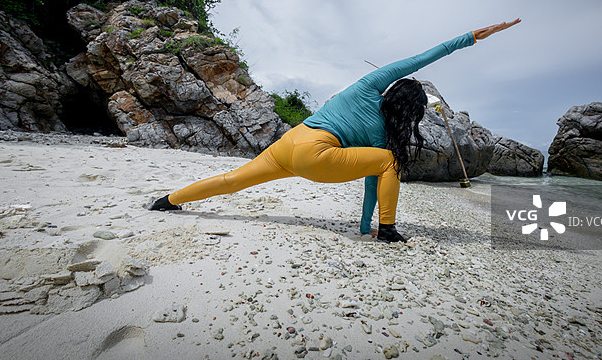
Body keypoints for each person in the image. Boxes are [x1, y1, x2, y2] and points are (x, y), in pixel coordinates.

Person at [150, 18, 521, 242]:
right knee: (390, 162)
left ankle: (169, 201)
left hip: (290, 142)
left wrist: (472, 36)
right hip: (317, 156)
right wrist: (368, 226)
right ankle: (389, 231)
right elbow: (374, 181)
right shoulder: (383, 132)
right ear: (411, 111)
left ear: (394, 88)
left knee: (234, 179)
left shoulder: (367, 85)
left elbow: (423, 56)